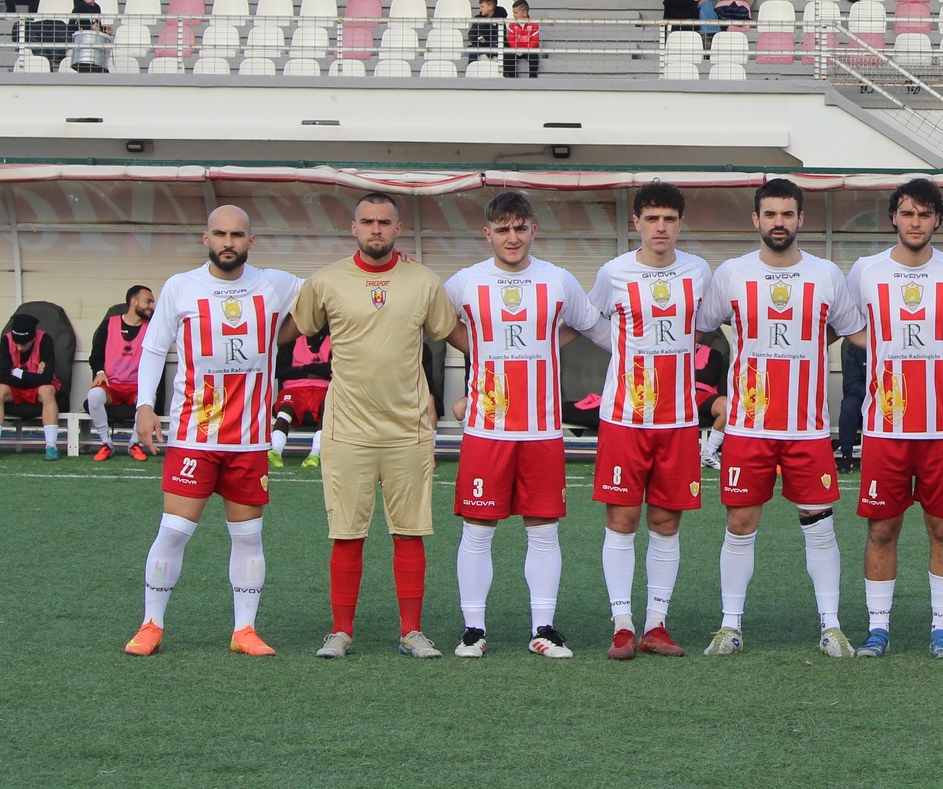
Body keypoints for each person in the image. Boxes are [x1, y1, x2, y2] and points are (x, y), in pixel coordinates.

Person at [685, 180, 867, 658]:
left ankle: (831, 626)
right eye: (770, 214)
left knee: (820, 525)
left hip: (806, 427)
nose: (779, 222)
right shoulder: (731, 274)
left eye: (788, 214)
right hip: (747, 427)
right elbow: (701, 331)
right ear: (756, 219)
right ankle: (730, 626)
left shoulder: (826, 274)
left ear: (801, 219)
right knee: (740, 524)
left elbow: (853, 332)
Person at [123, 206, 302, 658]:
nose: (228, 242)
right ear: (206, 237)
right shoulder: (181, 287)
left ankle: (245, 631)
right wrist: (145, 405)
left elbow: (334, 295)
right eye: (220, 233)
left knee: (248, 538)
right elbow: (153, 348)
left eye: (237, 234)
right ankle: (151, 624)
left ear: (251, 240)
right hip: (193, 437)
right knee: (174, 531)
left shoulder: (277, 284)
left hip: (250, 440)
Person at [292, 194, 463, 660]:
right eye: (367, 221)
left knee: (409, 532)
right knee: (346, 533)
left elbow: (452, 335)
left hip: (408, 428)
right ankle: (340, 632)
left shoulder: (424, 281)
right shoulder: (326, 281)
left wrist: (504, 362)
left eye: (384, 222)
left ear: (398, 227)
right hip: (347, 429)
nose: (375, 229)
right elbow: (291, 329)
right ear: (353, 228)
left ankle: (412, 632)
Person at [443, 190, 600, 660]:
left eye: (521, 227)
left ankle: (544, 628)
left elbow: (588, 325)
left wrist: (550, 341)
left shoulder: (558, 280)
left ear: (534, 229)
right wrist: (478, 349)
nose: (513, 237)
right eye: (503, 229)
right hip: (486, 430)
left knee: (543, 530)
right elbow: (436, 321)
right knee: (477, 531)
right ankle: (474, 629)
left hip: (542, 429)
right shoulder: (466, 282)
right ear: (487, 233)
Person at [844, 178, 943, 659]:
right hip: (885, 426)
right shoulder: (866, 271)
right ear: (893, 217)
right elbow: (850, 328)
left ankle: (941, 629)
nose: (915, 222)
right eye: (907, 214)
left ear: (937, 221)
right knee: (881, 528)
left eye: (925, 215)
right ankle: (878, 629)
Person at [583, 183, 715, 660]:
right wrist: (622, 346)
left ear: (681, 223)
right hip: (623, 417)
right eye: (652, 218)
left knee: (665, 521)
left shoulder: (699, 271)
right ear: (635, 222)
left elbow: (704, 323)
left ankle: (657, 624)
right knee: (622, 519)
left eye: (670, 218)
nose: (661, 227)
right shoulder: (613, 272)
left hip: (678, 420)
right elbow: (592, 320)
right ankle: (622, 624)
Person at [85, 285, 155, 462]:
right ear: (133, 301)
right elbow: (96, 354)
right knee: (94, 395)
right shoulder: (110, 324)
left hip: (137, 387)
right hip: (111, 385)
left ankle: (134, 444)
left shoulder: (152, 328)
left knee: (147, 399)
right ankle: (106, 443)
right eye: (148, 301)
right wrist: (99, 371)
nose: (152, 306)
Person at [0, 311, 62, 460]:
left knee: (47, 391)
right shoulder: (6, 341)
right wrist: (35, 376)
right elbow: (2, 377)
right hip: (15, 390)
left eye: (24, 344)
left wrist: (17, 373)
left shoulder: (45, 340)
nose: (19, 348)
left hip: (39, 390)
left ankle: (51, 446)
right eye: (16, 343)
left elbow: (46, 379)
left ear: (33, 338)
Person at [270, 325, 333, 468]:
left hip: (324, 388)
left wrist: (304, 367)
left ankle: (315, 454)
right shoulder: (292, 339)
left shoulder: (333, 338)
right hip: (295, 387)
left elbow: (336, 367)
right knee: (286, 409)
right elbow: (279, 369)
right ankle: (275, 451)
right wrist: (310, 373)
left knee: (329, 406)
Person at [506, 0, 541, 77]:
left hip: (529, 49)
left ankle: (533, 78)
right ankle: (512, 78)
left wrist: (526, 49)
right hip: (516, 49)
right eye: (513, 12)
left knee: (534, 56)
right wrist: (517, 49)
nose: (514, 15)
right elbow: (510, 39)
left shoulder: (534, 24)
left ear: (525, 13)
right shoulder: (512, 24)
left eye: (516, 13)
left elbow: (535, 40)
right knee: (509, 56)